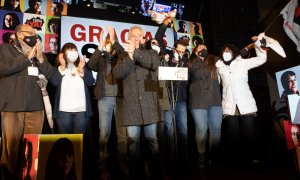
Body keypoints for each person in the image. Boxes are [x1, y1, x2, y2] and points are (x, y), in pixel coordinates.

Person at [0, 24, 55, 179]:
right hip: (12, 106)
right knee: (10, 151)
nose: (34, 35)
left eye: (34, 32)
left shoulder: (38, 53)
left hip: (36, 108)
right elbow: (3, 67)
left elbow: (53, 77)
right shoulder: (5, 49)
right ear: (19, 35)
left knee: (32, 149)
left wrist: (41, 59)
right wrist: (26, 57)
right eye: (30, 33)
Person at [113, 25, 163, 179]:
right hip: (132, 105)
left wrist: (135, 53)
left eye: (139, 35)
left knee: (152, 140)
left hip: (149, 104)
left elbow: (154, 64)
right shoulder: (122, 56)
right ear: (128, 37)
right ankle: (136, 174)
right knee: (132, 142)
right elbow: (117, 73)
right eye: (133, 35)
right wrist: (129, 57)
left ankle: (156, 173)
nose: (136, 38)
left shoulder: (150, 52)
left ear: (143, 38)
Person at [215, 34, 267, 168]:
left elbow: (261, 59)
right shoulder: (219, 67)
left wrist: (259, 45)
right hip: (229, 105)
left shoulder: (242, 63)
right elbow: (217, 84)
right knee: (233, 136)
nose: (227, 53)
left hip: (246, 103)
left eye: (229, 50)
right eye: (225, 51)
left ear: (234, 52)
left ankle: (248, 160)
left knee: (248, 135)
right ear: (222, 53)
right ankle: (237, 162)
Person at [87, 27, 128, 179]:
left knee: (122, 135)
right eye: (108, 43)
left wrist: (114, 39)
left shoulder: (121, 58)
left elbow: (124, 53)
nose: (110, 45)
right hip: (104, 99)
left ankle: (123, 164)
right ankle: (103, 166)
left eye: (112, 43)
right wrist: (99, 48)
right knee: (104, 134)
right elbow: (90, 65)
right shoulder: (101, 58)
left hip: (120, 98)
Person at [188, 43, 222, 167]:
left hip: (215, 99)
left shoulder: (214, 60)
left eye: (205, 48)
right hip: (198, 100)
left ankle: (214, 155)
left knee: (216, 129)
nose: (203, 49)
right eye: (200, 48)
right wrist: (200, 59)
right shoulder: (191, 62)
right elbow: (195, 73)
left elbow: (229, 57)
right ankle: (202, 155)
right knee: (201, 129)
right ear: (195, 51)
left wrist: (248, 49)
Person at [50, 42, 95, 134]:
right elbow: (54, 82)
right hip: (63, 111)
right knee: (66, 141)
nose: (73, 52)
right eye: (70, 50)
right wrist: (62, 67)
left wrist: (82, 71)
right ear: (63, 53)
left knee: (79, 141)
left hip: (81, 111)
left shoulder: (82, 66)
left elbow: (91, 82)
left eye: (75, 50)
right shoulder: (58, 68)